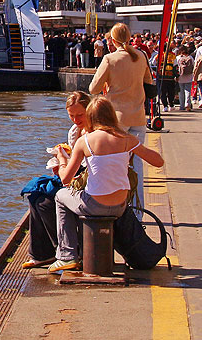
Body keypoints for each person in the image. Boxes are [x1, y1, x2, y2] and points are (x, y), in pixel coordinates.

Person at [49, 96, 165, 273]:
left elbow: (65, 179)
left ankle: (67, 255)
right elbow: (158, 162)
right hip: (120, 206)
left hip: (95, 205)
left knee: (60, 196)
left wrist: (61, 158)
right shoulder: (127, 139)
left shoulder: (85, 141)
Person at [22, 91, 91, 268]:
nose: (75, 119)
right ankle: (42, 253)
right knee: (35, 194)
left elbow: (71, 176)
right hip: (78, 177)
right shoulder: (75, 131)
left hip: (88, 185)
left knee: (45, 203)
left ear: (90, 110)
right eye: (71, 115)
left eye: (80, 115)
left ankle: (65, 250)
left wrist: (61, 159)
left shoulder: (92, 133)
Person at [89, 22, 153, 201]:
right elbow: (148, 81)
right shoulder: (140, 56)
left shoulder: (110, 59)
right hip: (138, 115)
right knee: (137, 163)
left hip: (117, 118)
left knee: (117, 162)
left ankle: (118, 204)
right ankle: (138, 209)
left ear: (113, 40)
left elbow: (94, 88)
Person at [176, 45, 195, 111]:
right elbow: (193, 65)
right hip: (189, 76)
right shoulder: (190, 57)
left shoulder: (178, 58)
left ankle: (181, 106)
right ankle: (187, 104)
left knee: (181, 92)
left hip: (180, 77)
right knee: (188, 91)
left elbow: (176, 66)